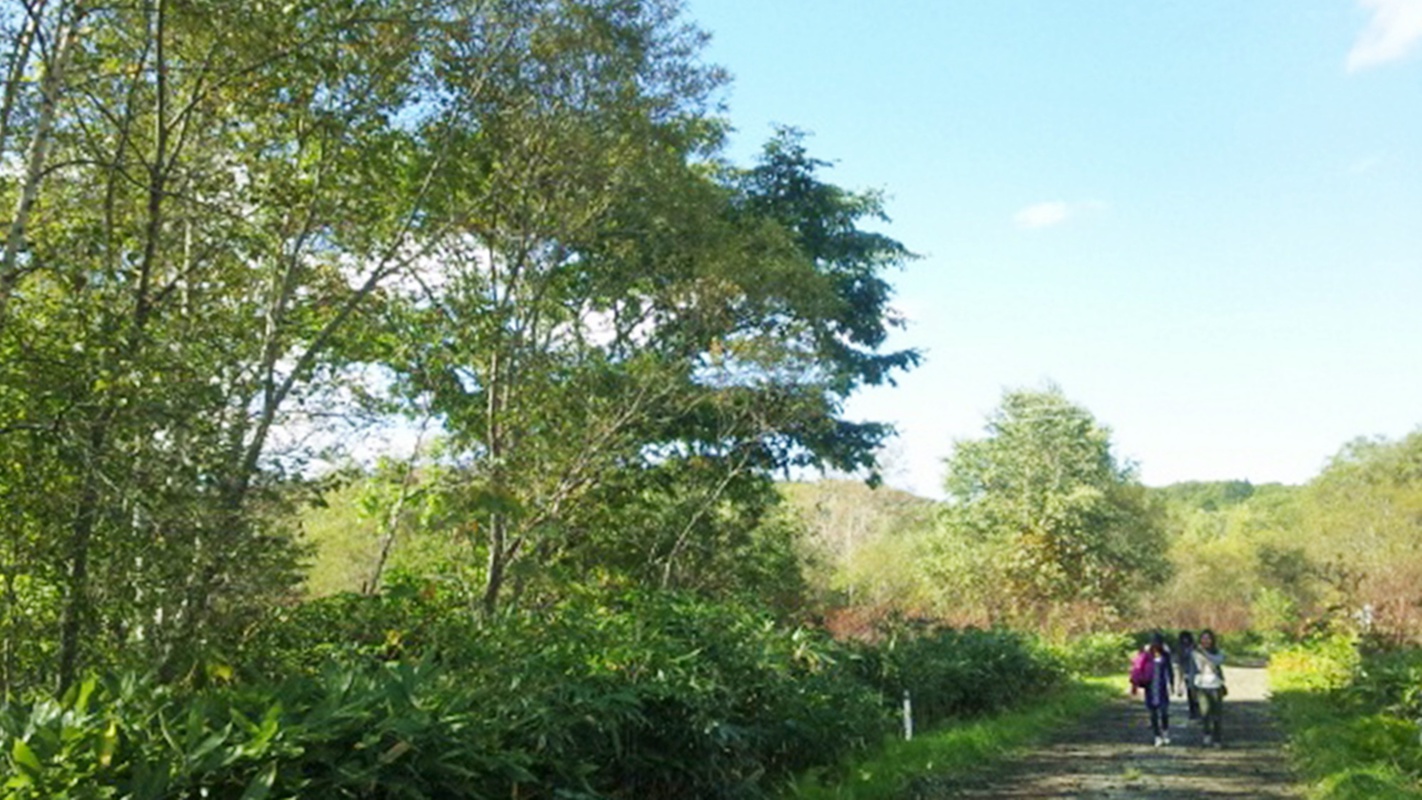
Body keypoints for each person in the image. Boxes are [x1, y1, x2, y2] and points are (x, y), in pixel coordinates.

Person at [1131, 631, 1176, 746]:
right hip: (1150, 687)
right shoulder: (1146, 655)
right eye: (1154, 642)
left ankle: (1165, 733)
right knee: (1153, 713)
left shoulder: (1165, 655)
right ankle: (1157, 736)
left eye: (1158, 642)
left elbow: (1169, 670)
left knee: (1164, 712)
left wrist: (1172, 684)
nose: (1156, 645)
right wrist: (1135, 685)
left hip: (1162, 687)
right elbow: (1137, 669)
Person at [1192, 629, 1227, 747]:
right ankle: (1207, 734)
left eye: (1208, 638)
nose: (1205, 641)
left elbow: (1218, 661)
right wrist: (1191, 686)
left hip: (1215, 685)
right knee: (1204, 712)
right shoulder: (1195, 654)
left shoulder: (1218, 652)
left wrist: (1204, 653)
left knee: (1217, 714)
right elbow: (1193, 669)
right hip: (1202, 686)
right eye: (1203, 638)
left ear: (1212, 640)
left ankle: (1217, 738)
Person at [1177, 630, 1200, 721]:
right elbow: (1180, 664)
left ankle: (1197, 710)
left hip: (1197, 673)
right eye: (1183, 639)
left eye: (1186, 638)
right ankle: (1192, 711)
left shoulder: (1195, 648)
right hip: (1187, 673)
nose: (1185, 640)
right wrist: (1180, 680)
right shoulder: (1181, 649)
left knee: (1197, 693)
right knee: (1190, 693)